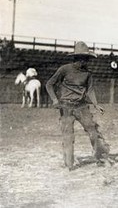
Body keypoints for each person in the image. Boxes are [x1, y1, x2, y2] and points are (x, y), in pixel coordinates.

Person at [46, 41, 111, 171]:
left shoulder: (88, 74)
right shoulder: (64, 69)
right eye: (84, 59)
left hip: (82, 107)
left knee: (93, 131)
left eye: (87, 59)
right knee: (68, 135)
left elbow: (90, 90)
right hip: (66, 108)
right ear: (77, 58)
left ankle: (100, 157)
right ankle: (69, 165)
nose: (86, 62)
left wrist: (96, 105)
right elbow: (49, 84)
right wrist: (54, 100)